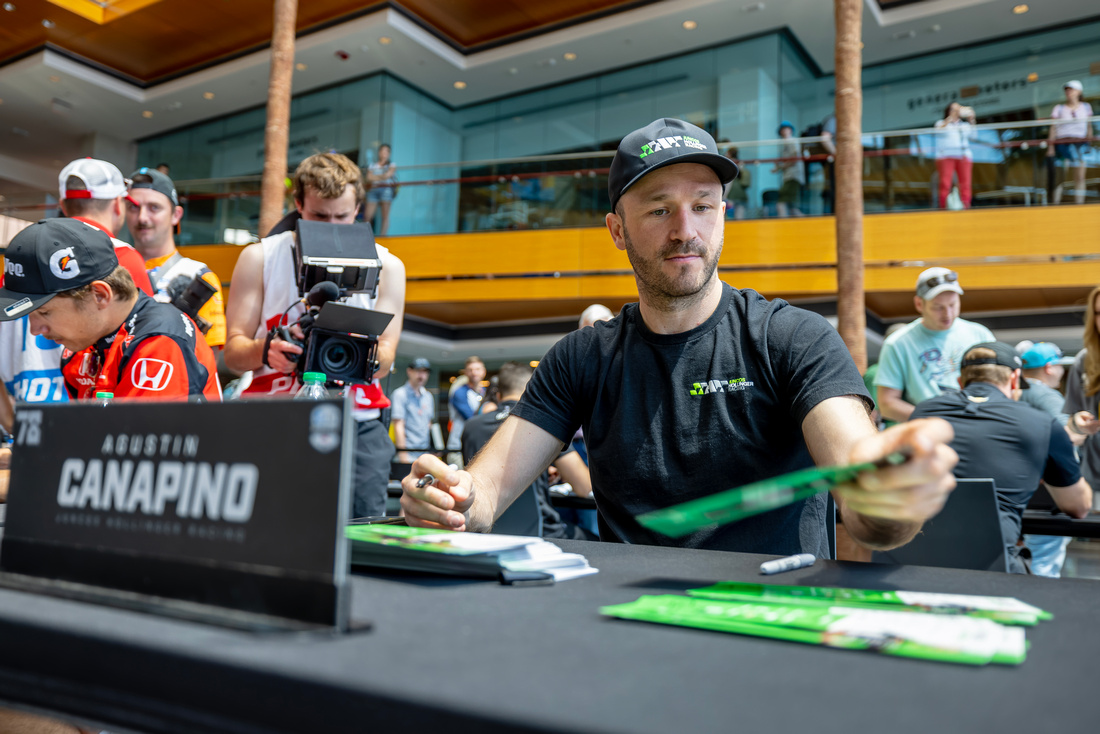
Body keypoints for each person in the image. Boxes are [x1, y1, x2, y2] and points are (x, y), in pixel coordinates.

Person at [402, 117, 957, 557]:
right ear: (617, 230)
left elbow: (866, 507)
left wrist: (890, 495)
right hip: (627, 620)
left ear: (724, 215)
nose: (685, 230)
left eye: (701, 206)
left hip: (773, 620)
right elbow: (485, 494)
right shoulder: (582, 358)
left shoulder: (793, 338)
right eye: (660, 209)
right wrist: (450, 500)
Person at [224, 152, 406, 518]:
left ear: (359, 208)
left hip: (359, 419)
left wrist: (359, 349)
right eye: (320, 217)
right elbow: (232, 352)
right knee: (269, 527)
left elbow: (386, 358)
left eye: (343, 216)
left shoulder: (388, 266)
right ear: (298, 205)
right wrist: (267, 350)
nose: (333, 227)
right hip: (273, 416)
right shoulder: (260, 257)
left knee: (359, 531)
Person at [0, 158, 156, 431]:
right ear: (118, 204)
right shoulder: (121, 261)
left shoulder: (21, 263)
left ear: (62, 205)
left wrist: (15, 426)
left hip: (28, 425)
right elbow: (140, 346)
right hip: (87, 431)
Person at [911, 342, 1091, 573]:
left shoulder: (921, 413)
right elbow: (1078, 506)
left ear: (960, 382)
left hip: (914, 562)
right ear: (1015, 379)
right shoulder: (1042, 424)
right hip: (994, 571)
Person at [0, 219, 221, 401]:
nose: (35, 330)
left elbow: (133, 451)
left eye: (45, 312)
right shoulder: (82, 348)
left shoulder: (159, 342)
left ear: (100, 295)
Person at [460, 362, 596, 540]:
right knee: (596, 539)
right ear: (532, 391)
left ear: (498, 394)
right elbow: (584, 487)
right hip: (543, 535)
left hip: (484, 536)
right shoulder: (546, 422)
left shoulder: (471, 427)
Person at [874, 267, 995, 423]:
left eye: (952, 304)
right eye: (938, 307)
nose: (948, 314)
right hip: (929, 434)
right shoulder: (898, 343)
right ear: (919, 304)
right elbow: (887, 404)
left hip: (979, 423)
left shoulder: (980, 334)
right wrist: (935, 420)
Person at [126, 167, 227, 349]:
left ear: (176, 215)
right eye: (134, 207)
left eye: (154, 208)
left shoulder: (199, 277)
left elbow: (207, 363)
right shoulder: (114, 269)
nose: (142, 217)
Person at [1018, 341, 1091, 577]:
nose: (1061, 372)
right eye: (1059, 366)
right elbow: (1065, 437)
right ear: (1049, 368)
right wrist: (1083, 430)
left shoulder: (1013, 392)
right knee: (1044, 560)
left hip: (1018, 485)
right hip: (1049, 489)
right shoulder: (1046, 395)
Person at [1063, 284, 1100, 511]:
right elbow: (1070, 418)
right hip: (1094, 475)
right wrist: (1078, 423)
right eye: (1098, 313)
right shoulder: (1085, 360)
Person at [1047, 80, 1095, 206]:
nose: (1068, 92)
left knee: (1079, 176)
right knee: (1060, 177)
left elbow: (1089, 126)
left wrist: (1090, 142)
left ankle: (1079, 205)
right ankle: (1055, 205)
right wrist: (1050, 147)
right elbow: (1053, 128)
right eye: (1067, 89)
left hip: (1080, 144)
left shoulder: (1086, 107)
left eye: (1071, 89)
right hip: (1062, 144)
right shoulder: (1059, 108)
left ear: (1079, 91)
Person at [391, 357, 436, 464]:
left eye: (425, 372)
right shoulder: (400, 394)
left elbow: (429, 424)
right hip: (407, 454)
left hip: (425, 454)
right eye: (418, 371)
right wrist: (403, 455)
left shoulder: (428, 396)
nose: (421, 376)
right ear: (409, 372)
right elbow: (398, 426)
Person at [933, 102, 977, 209]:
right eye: (953, 109)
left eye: (958, 109)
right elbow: (938, 131)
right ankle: (943, 206)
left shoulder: (964, 125)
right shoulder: (941, 123)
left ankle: (966, 205)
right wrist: (950, 119)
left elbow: (974, 136)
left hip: (963, 156)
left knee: (965, 183)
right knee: (945, 183)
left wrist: (971, 120)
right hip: (946, 156)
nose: (956, 111)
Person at [445, 356, 486, 465]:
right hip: (459, 449)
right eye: (470, 370)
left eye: (477, 369)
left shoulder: (484, 392)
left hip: (479, 448)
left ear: (483, 371)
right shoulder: (459, 392)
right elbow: (473, 419)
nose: (474, 373)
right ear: (466, 373)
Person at [772, 122, 803, 217]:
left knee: (781, 203)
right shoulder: (783, 145)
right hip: (788, 177)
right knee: (792, 207)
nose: (784, 131)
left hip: (793, 176)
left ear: (791, 130)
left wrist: (780, 167)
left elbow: (795, 158)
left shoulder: (793, 141)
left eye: (786, 129)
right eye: (782, 129)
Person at [365, 143, 396, 236]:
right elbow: (369, 178)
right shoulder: (372, 165)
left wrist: (375, 177)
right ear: (379, 152)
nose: (384, 153)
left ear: (389, 153)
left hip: (386, 190)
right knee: (368, 216)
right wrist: (381, 177)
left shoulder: (392, 164)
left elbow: (387, 175)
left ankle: (383, 237)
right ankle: (368, 236)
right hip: (373, 190)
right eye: (382, 151)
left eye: (386, 151)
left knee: (385, 216)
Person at [721, 146, 749, 220]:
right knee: (739, 218)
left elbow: (727, 185)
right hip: (740, 197)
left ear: (729, 154)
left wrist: (724, 196)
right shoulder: (741, 165)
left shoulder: (728, 165)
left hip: (731, 197)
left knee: (729, 219)